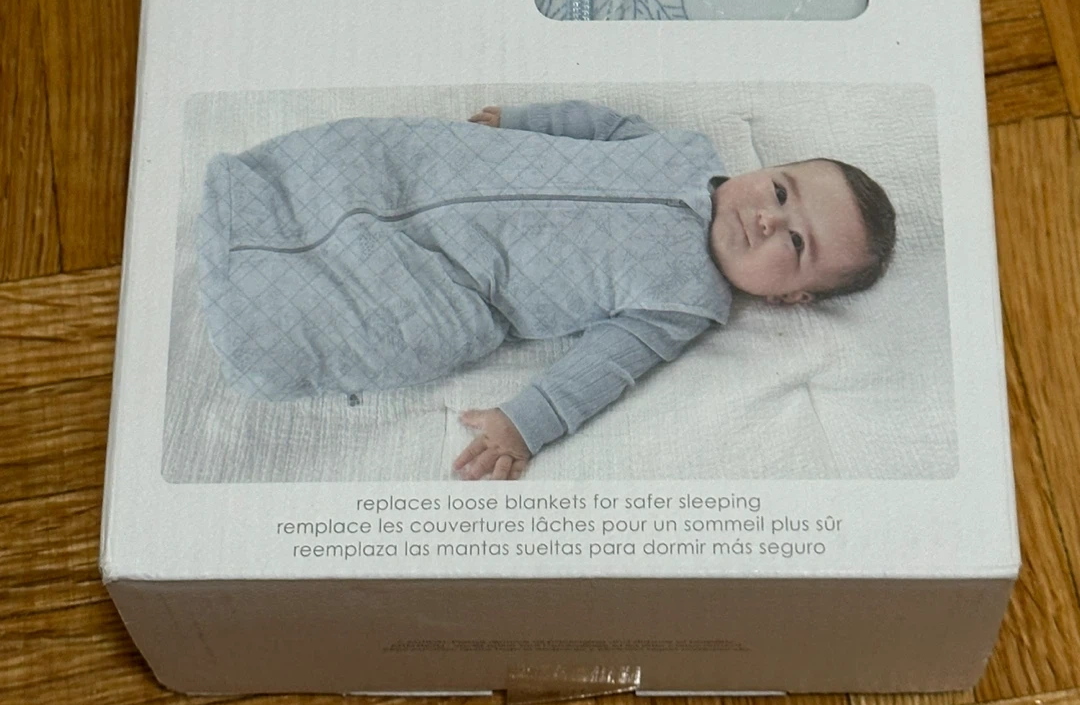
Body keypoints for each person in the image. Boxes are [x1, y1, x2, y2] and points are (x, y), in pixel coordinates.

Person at [197, 101, 895, 480]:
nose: (768, 218)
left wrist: (526, 423)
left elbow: (603, 367)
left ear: (789, 298)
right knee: (376, 154)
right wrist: (523, 122)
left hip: (463, 272)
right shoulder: (683, 150)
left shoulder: (684, 302)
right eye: (781, 191)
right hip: (449, 170)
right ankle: (256, 193)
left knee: (405, 319)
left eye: (795, 245)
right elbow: (602, 125)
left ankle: (259, 319)